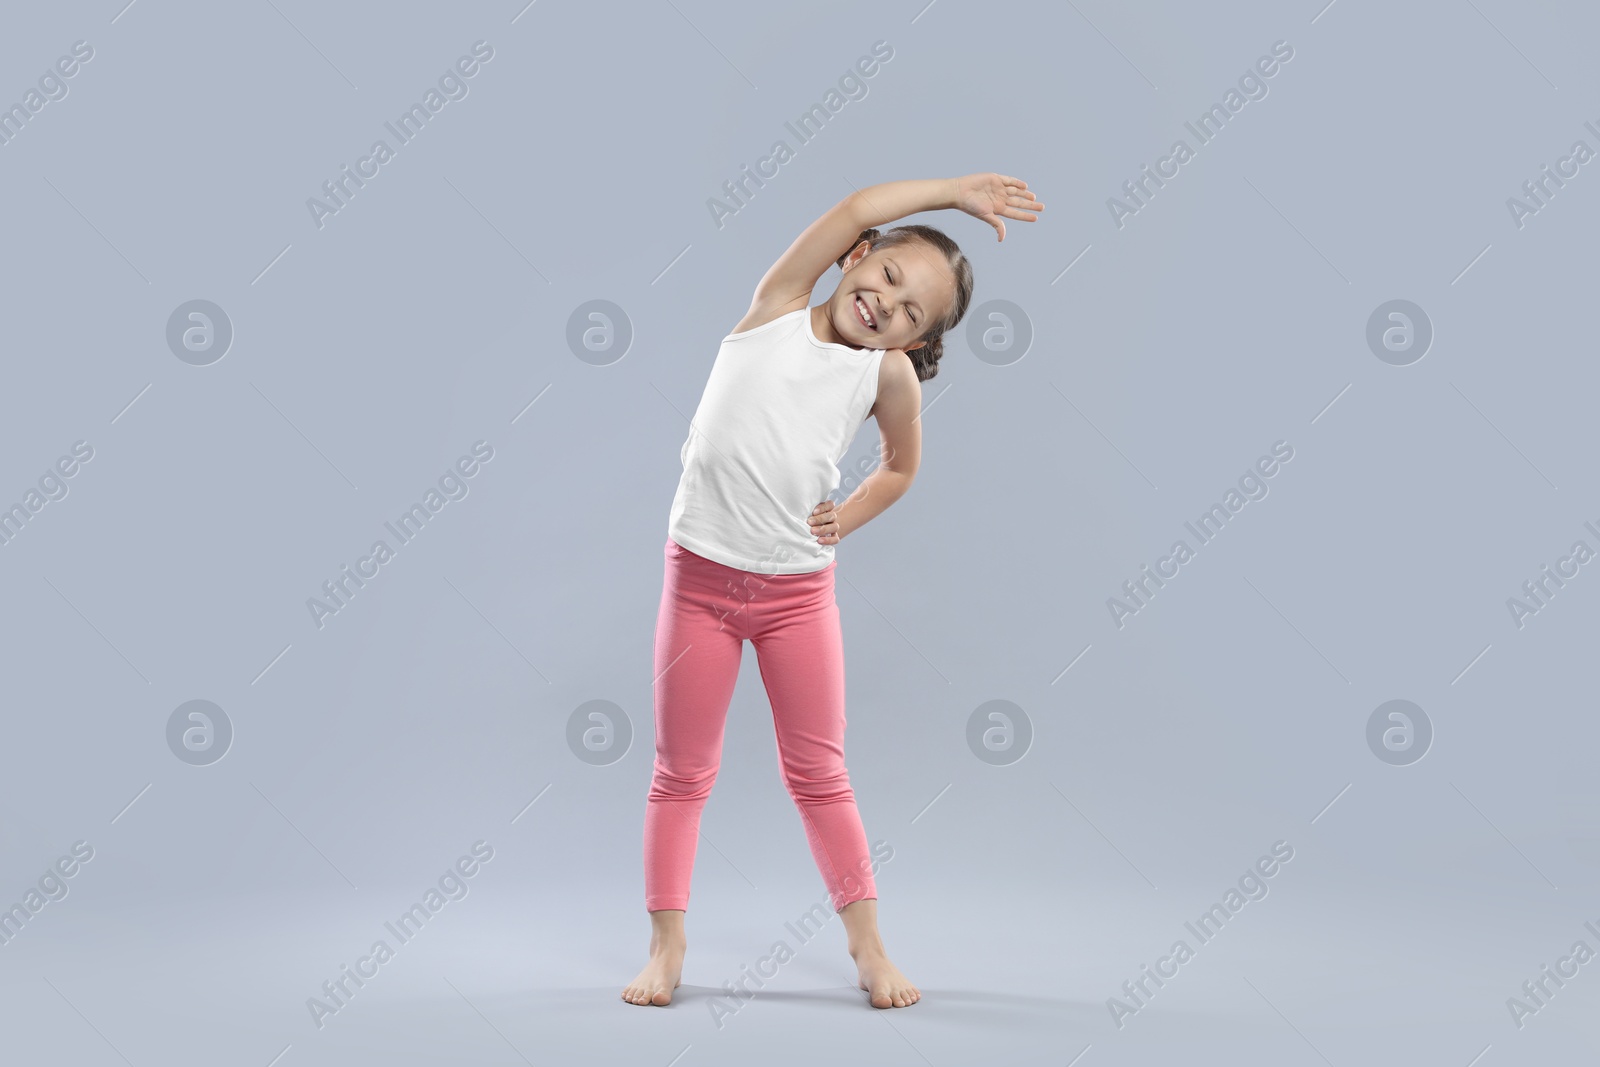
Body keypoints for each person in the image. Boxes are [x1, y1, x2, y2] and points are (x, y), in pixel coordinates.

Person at [622, 174, 1044, 1009]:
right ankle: (666, 946)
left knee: (819, 771)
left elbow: (901, 468)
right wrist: (957, 191)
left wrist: (840, 521)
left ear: (918, 338)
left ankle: (869, 947)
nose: (888, 302)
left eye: (913, 310)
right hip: (699, 582)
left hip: (795, 600)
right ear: (855, 258)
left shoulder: (886, 377)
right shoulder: (777, 303)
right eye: (887, 276)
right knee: (680, 772)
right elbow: (857, 205)